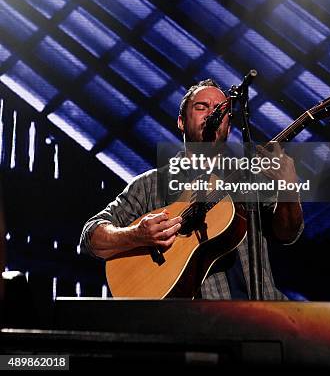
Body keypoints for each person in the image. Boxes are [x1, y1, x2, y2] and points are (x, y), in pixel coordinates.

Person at [80, 79, 304, 299]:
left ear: (229, 123)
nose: (212, 115)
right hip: (190, 325)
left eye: (220, 110)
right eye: (201, 107)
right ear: (181, 122)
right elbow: (91, 237)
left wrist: (289, 189)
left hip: (260, 315)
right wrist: (137, 235)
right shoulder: (151, 185)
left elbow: (287, 233)